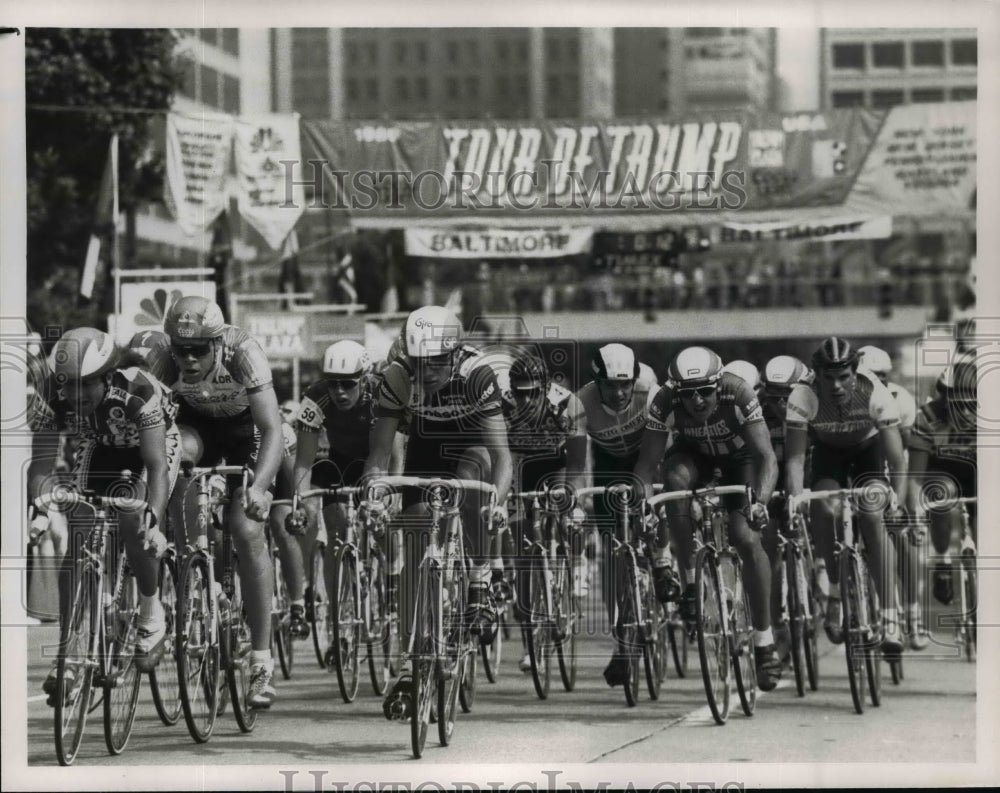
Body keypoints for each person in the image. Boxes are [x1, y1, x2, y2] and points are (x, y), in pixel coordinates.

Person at [364, 306, 512, 720]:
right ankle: (412, 664)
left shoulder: (477, 373)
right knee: (414, 537)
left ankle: (480, 579)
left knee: (471, 483)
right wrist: (374, 497)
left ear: (454, 352)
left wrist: (497, 504)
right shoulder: (395, 378)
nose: (426, 372)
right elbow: (377, 456)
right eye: (418, 363)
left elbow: (502, 456)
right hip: (426, 452)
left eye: (436, 363)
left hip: (472, 447)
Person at [139, 295, 283, 709]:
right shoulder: (164, 360)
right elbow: (151, 429)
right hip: (192, 427)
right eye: (180, 348)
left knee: (245, 528)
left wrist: (259, 489)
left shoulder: (243, 353)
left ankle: (260, 661)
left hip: (245, 432)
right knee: (178, 458)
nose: (187, 359)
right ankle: (194, 566)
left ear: (217, 344)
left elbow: (271, 429)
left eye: (198, 349)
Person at [31, 328, 177, 703]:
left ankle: (150, 612)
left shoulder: (137, 390)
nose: (76, 396)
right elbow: (42, 465)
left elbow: (156, 466)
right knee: (78, 533)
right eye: (69, 386)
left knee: (133, 518)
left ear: (108, 378)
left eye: (86, 386)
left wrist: (155, 519)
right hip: (102, 446)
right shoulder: (51, 394)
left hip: (151, 449)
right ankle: (72, 651)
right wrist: (42, 505)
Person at [634, 345, 783, 691]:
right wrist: (644, 504)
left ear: (718, 386)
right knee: (673, 482)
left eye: (705, 392)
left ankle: (764, 642)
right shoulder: (664, 401)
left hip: (739, 458)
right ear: (677, 392)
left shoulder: (739, 393)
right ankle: (690, 582)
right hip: (693, 456)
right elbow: (645, 466)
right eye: (689, 394)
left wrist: (759, 502)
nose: (698, 401)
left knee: (745, 537)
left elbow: (767, 458)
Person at [784, 337, 906, 657]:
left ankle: (891, 617)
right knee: (823, 507)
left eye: (844, 377)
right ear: (817, 375)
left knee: (873, 516)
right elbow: (796, 458)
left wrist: (900, 502)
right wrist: (796, 499)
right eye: (829, 378)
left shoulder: (875, 390)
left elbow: (896, 459)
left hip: (868, 451)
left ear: (855, 371)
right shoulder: (803, 395)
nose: (836, 385)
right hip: (829, 454)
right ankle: (835, 592)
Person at [289, 340, 402, 662]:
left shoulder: (383, 393)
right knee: (337, 533)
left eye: (348, 384)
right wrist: (300, 501)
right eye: (333, 382)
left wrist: (392, 489)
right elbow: (304, 463)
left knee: (381, 521)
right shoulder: (315, 397)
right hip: (339, 460)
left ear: (365, 378)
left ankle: (393, 566)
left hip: (377, 457)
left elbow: (396, 449)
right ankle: (340, 631)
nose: (339, 391)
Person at [566, 343, 659, 687]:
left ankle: (663, 563)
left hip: (648, 458)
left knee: (656, 516)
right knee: (611, 552)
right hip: (609, 467)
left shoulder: (650, 390)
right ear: (596, 383)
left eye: (625, 384)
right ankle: (621, 637)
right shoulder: (580, 403)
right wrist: (574, 503)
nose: (619, 393)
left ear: (635, 380)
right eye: (610, 385)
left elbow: (668, 441)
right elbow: (576, 466)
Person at [501, 351, 587, 674]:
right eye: (519, 392)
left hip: (558, 463)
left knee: (569, 514)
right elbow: (500, 457)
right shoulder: (503, 406)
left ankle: (571, 568)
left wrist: (570, 496)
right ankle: (530, 642)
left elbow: (577, 465)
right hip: (521, 464)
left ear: (545, 388)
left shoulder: (569, 405)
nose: (525, 400)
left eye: (532, 393)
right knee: (523, 547)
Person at [857, 344, 926, 650]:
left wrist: (910, 502)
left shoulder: (900, 398)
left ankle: (912, 617)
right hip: (861, 471)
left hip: (894, 469)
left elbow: (910, 452)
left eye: (882, 377)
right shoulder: (851, 396)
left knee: (903, 536)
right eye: (870, 376)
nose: (877, 383)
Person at [906, 355, 977, 610]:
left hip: (978, 472)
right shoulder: (927, 416)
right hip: (940, 472)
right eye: (953, 403)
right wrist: (915, 516)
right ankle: (942, 560)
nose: (962, 411)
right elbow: (914, 477)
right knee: (942, 492)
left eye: (969, 404)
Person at [756, 354, 813, 662]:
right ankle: (778, 624)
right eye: (774, 398)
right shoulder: (756, 409)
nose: (781, 406)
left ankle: (824, 586)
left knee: (817, 519)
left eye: (787, 397)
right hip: (769, 477)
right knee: (769, 550)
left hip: (806, 473)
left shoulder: (812, 405)